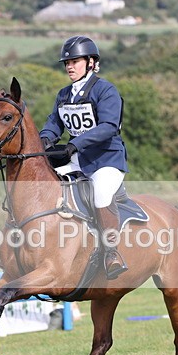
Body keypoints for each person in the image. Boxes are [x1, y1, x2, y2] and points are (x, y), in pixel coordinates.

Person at [39, 35, 128, 280]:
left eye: (75, 61)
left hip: (106, 160)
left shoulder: (105, 90)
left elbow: (109, 126)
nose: (69, 66)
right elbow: (53, 123)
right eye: (66, 62)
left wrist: (75, 144)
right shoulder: (64, 94)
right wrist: (45, 140)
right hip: (77, 160)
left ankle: (112, 253)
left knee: (100, 193)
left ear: (91, 62)